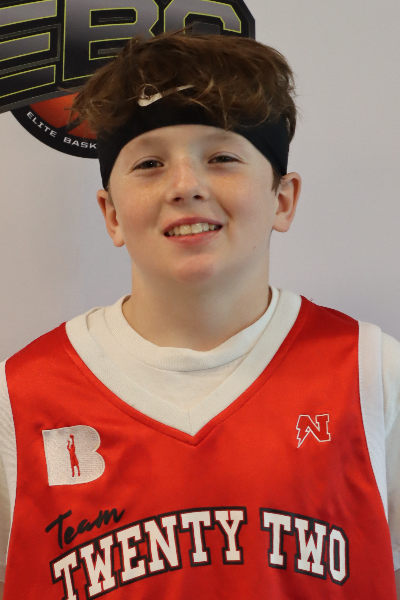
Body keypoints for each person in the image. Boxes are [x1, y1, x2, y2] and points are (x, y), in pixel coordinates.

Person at [0, 27, 399, 599]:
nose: (185, 186)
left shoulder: (372, 374)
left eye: (222, 157)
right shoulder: (20, 399)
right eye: (149, 164)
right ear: (111, 214)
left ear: (283, 199)